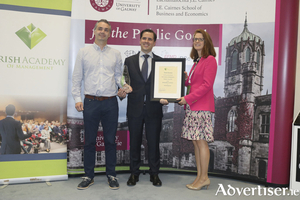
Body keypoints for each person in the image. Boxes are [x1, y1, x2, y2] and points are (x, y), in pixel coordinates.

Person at [72, 19, 131, 190]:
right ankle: (88, 176)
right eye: (100, 29)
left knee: (110, 141)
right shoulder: (84, 52)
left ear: (110, 33)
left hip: (110, 103)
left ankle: (111, 175)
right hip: (90, 102)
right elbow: (76, 78)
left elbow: (119, 77)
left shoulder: (116, 54)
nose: (102, 32)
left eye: (106, 29)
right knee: (90, 141)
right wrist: (77, 99)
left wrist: (125, 87)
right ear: (94, 31)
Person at [121, 29, 167, 187]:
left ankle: (154, 174)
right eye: (144, 38)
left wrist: (168, 95)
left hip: (154, 109)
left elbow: (165, 85)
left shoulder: (162, 62)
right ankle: (134, 173)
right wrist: (122, 90)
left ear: (155, 42)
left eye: (150, 39)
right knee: (134, 143)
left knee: (154, 143)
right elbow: (124, 81)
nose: (146, 41)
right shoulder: (129, 61)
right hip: (135, 109)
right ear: (140, 40)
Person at [176, 29, 217, 190]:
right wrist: (186, 80)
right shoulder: (197, 61)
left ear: (206, 42)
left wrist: (187, 98)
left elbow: (207, 85)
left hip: (201, 107)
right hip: (193, 107)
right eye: (195, 39)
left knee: (201, 143)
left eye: (200, 39)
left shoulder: (210, 59)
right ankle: (199, 177)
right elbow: (195, 84)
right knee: (196, 142)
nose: (197, 41)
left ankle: (204, 177)